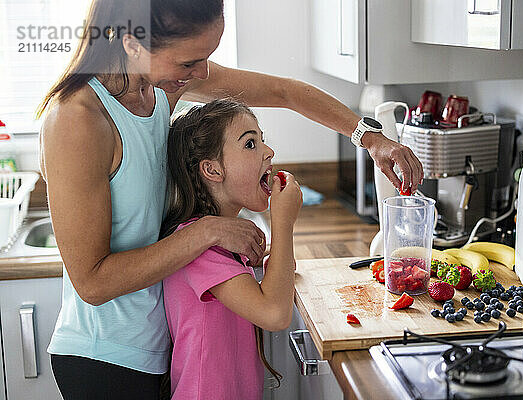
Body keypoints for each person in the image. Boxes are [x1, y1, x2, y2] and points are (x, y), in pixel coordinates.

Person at [37, 0, 423, 398]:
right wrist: (207, 232)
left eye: (207, 58)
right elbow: (93, 283)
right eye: (189, 62)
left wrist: (372, 139)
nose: (201, 74)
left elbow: (283, 91)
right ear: (133, 43)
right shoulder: (77, 118)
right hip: (104, 361)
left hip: (158, 350)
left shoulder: (158, 87)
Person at [161, 99, 301, 400]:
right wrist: (283, 222)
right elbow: (274, 313)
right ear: (212, 169)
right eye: (250, 144)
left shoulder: (225, 240)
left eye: (262, 140)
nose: (268, 152)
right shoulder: (199, 248)